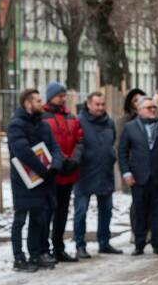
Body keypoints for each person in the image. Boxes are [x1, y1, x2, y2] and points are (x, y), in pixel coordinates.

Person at [8, 89, 64, 272]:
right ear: (27, 103)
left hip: (43, 179)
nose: (42, 103)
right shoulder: (16, 125)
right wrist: (44, 170)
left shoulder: (43, 125)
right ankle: (18, 257)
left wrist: (54, 166)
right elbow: (22, 151)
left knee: (38, 219)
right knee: (20, 219)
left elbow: (55, 148)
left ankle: (35, 254)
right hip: (24, 181)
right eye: (38, 100)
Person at [118, 96, 158, 256]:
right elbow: (122, 152)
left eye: (154, 107)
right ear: (139, 110)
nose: (153, 110)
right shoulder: (130, 128)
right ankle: (139, 243)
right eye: (148, 107)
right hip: (139, 177)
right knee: (140, 212)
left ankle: (157, 243)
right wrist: (126, 172)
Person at [74, 91, 121, 258]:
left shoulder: (109, 122)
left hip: (105, 172)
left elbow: (112, 141)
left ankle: (104, 242)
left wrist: (110, 157)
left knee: (106, 210)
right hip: (84, 174)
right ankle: (80, 245)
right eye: (97, 104)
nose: (101, 108)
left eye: (102, 104)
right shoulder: (78, 122)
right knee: (81, 211)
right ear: (88, 104)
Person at [42, 81, 84, 263]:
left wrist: (74, 159)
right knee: (47, 212)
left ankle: (59, 247)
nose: (63, 99)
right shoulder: (43, 117)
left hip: (69, 172)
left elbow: (80, 140)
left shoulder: (71, 118)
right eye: (60, 95)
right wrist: (59, 161)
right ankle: (44, 248)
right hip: (52, 172)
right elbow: (44, 143)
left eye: (64, 95)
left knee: (62, 212)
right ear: (51, 96)